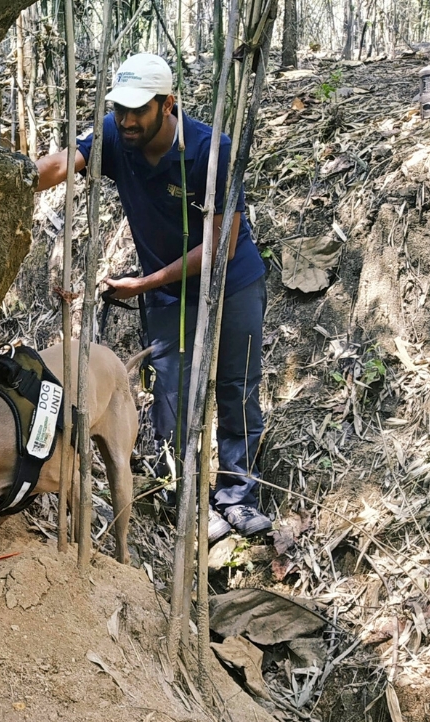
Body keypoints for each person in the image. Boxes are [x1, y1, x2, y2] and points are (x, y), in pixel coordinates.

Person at [34, 52, 271, 542]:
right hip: (169, 295)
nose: (126, 120)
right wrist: (14, 177)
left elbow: (222, 247)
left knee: (236, 384)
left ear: (168, 105)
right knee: (170, 394)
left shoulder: (212, 150)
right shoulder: (117, 137)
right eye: (120, 108)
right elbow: (65, 162)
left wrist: (143, 284)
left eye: (138, 109)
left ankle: (236, 496)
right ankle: (178, 493)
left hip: (232, 283)